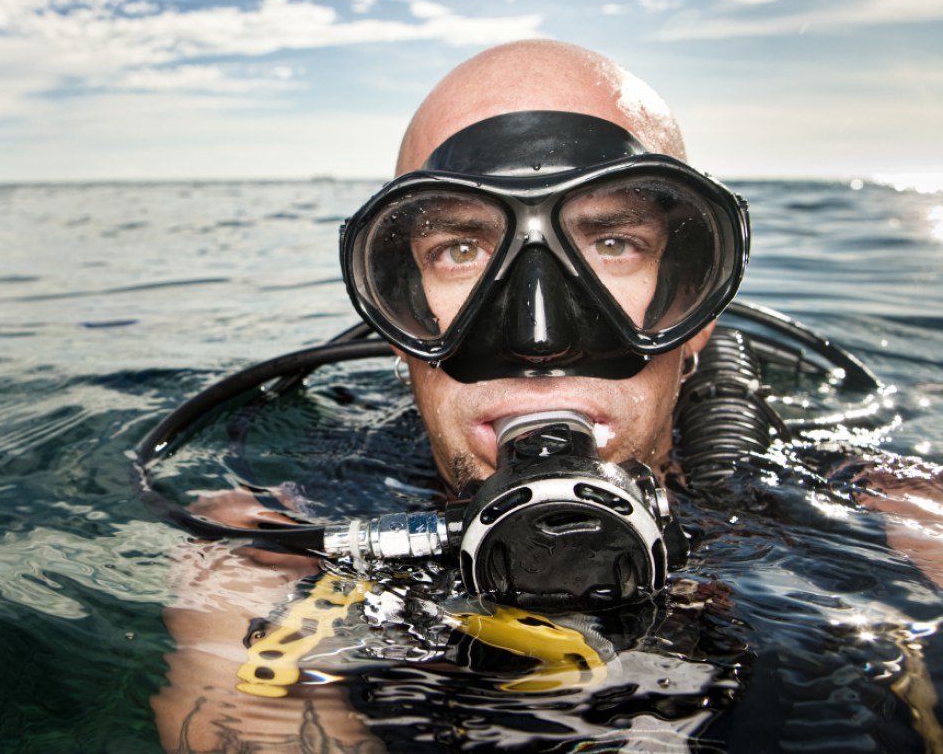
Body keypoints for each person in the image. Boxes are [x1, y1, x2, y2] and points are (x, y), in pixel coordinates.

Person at [151, 40, 941, 751]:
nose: (537, 340)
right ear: (397, 318)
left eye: (611, 242)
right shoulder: (263, 552)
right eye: (459, 247)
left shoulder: (894, 523)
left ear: (695, 306)